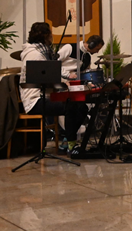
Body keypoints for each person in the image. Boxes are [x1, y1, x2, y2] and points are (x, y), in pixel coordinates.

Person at [19, 22, 89, 151]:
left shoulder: (42, 52)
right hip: (35, 100)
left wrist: (63, 80)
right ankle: (71, 144)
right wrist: (62, 83)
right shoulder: (35, 54)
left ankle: (68, 140)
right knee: (71, 106)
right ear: (45, 35)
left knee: (82, 107)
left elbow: (50, 73)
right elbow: (43, 79)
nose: (52, 36)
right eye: (50, 33)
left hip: (44, 96)